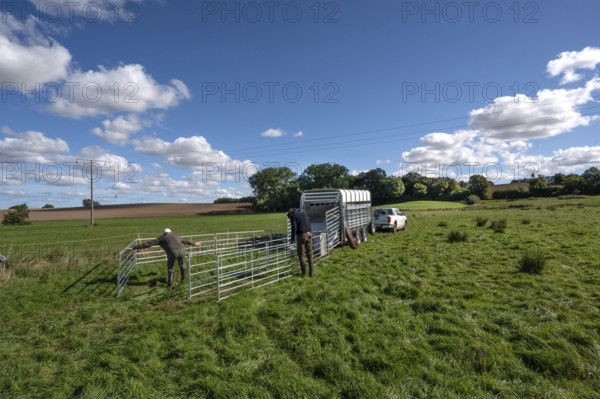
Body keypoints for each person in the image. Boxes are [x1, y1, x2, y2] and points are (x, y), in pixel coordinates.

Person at [129, 228, 201, 286]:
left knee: (170, 267)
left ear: (164, 233)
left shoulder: (162, 238)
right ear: (171, 232)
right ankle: (183, 279)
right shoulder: (176, 236)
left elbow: (148, 244)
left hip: (172, 252)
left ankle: (169, 283)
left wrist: (134, 247)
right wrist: (195, 243)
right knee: (182, 264)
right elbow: (186, 241)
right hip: (182, 251)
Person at [287, 208, 314, 277]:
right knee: (309, 253)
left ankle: (303, 273)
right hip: (309, 233)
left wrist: (292, 239)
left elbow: (294, 228)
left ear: (290, 214)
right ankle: (311, 273)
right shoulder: (302, 213)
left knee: (301, 254)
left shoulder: (293, 216)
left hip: (301, 235)